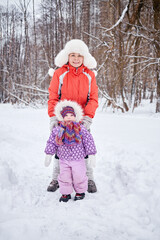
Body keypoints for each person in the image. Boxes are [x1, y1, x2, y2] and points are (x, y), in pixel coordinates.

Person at [47, 39, 98, 193]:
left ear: (85, 58)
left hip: (82, 121)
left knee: (85, 148)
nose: (76, 58)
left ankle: (89, 179)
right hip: (63, 120)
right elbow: (53, 96)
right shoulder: (60, 73)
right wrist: (54, 117)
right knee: (59, 148)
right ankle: (56, 178)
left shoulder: (89, 75)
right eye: (73, 55)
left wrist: (87, 118)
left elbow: (93, 98)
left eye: (79, 55)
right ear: (67, 56)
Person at [44, 100, 97, 202]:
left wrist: (91, 154)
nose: (69, 117)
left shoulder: (81, 129)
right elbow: (52, 142)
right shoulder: (58, 130)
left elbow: (88, 140)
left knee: (79, 176)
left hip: (78, 159)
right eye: (66, 115)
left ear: (75, 116)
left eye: (71, 115)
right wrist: (48, 154)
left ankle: (80, 191)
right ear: (62, 117)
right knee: (64, 176)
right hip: (63, 159)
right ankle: (66, 193)